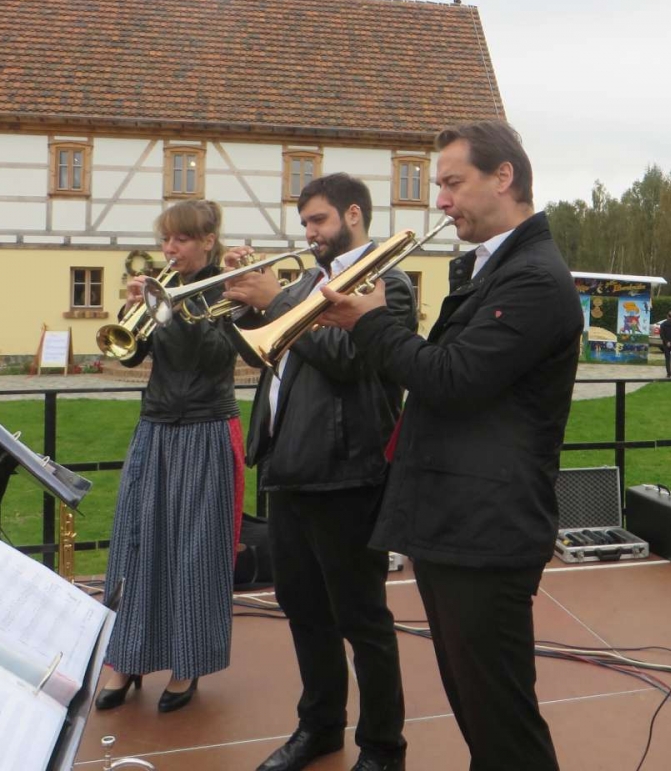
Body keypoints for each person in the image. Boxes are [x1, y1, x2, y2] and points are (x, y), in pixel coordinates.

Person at [317, 120, 583, 771]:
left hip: (486, 531)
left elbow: (453, 379)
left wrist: (371, 322)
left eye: (453, 183)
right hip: (457, 521)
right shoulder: (493, 268)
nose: (441, 200)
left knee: (502, 727)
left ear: (504, 177)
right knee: (479, 716)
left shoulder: (535, 278)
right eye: (440, 185)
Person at [221, 173, 414, 771]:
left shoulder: (388, 283)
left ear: (353, 215)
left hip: (346, 472)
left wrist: (277, 303)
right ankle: (320, 726)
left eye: (319, 220)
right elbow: (264, 349)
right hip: (288, 467)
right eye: (305, 222)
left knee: (362, 618)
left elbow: (349, 358)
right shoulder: (307, 283)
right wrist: (242, 303)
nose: (309, 233)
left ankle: (382, 748)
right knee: (303, 609)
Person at [96, 200, 245, 715]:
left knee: (195, 553)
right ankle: (127, 658)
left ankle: (187, 665)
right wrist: (133, 312)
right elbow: (129, 354)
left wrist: (172, 310)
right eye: (166, 239)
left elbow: (220, 356)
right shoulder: (161, 285)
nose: (169, 248)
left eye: (180, 239)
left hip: (206, 427)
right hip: (157, 426)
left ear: (207, 241)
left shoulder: (227, 289)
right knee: (135, 545)